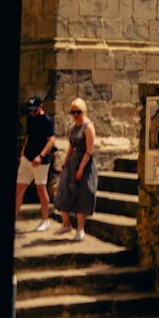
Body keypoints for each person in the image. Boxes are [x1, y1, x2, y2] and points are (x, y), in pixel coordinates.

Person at [54, 96, 98, 241]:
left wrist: (80, 169)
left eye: (78, 112)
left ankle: (80, 228)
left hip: (83, 163)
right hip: (72, 162)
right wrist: (64, 163)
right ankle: (66, 223)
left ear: (83, 111)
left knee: (82, 193)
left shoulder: (88, 127)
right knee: (63, 190)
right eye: (73, 112)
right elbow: (71, 147)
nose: (75, 115)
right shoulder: (72, 128)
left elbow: (89, 149)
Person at [16, 95, 56, 232]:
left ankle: (45, 220)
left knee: (41, 189)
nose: (32, 113)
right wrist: (23, 150)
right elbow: (29, 135)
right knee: (19, 189)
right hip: (27, 158)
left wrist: (41, 156)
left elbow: (51, 140)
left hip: (40, 162)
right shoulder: (30, 117)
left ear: (40, 107)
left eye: (34, 110)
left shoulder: (46, 121)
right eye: (30, 110)